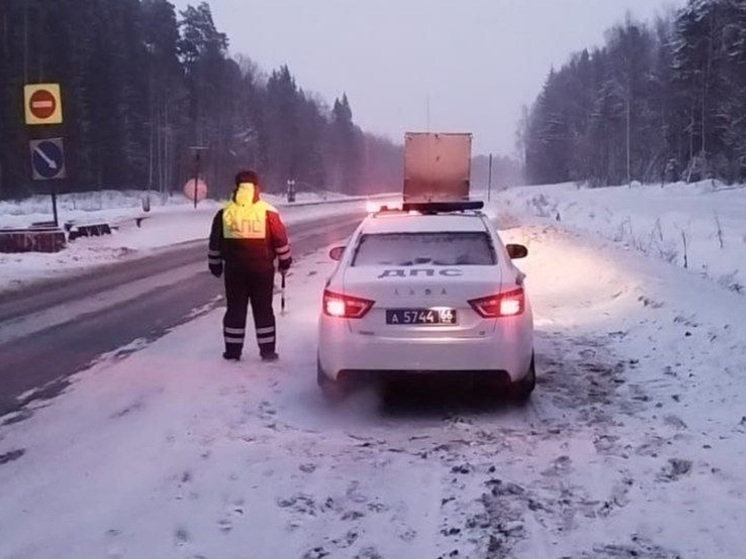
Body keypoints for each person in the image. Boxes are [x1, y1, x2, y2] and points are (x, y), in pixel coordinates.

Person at [208, 170, 292, 361]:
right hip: (262, 271)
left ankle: (232, 352)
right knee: (263, 310)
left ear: (236, 186)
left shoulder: (225, 212)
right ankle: (268, 351)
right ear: (257, 187)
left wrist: (215, 265)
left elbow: (215, 243)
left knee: (235, 309)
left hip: (234, 271)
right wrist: (285, 262)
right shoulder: (268, 211)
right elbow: (280, 240)